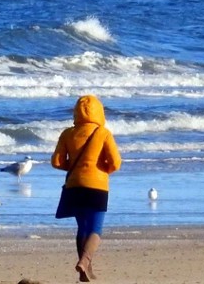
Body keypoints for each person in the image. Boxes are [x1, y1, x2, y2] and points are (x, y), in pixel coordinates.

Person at [51, 94, 122, 282]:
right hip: (97, 186)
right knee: (95, 229)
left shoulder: (67, 133)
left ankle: (85, 269)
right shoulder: (103, 133)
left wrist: (76, 168)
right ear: (99, 111)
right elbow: (115, 163)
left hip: (74, 185)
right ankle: (84, 262)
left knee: (82, 227)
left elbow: (57, 162)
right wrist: (101, 170)